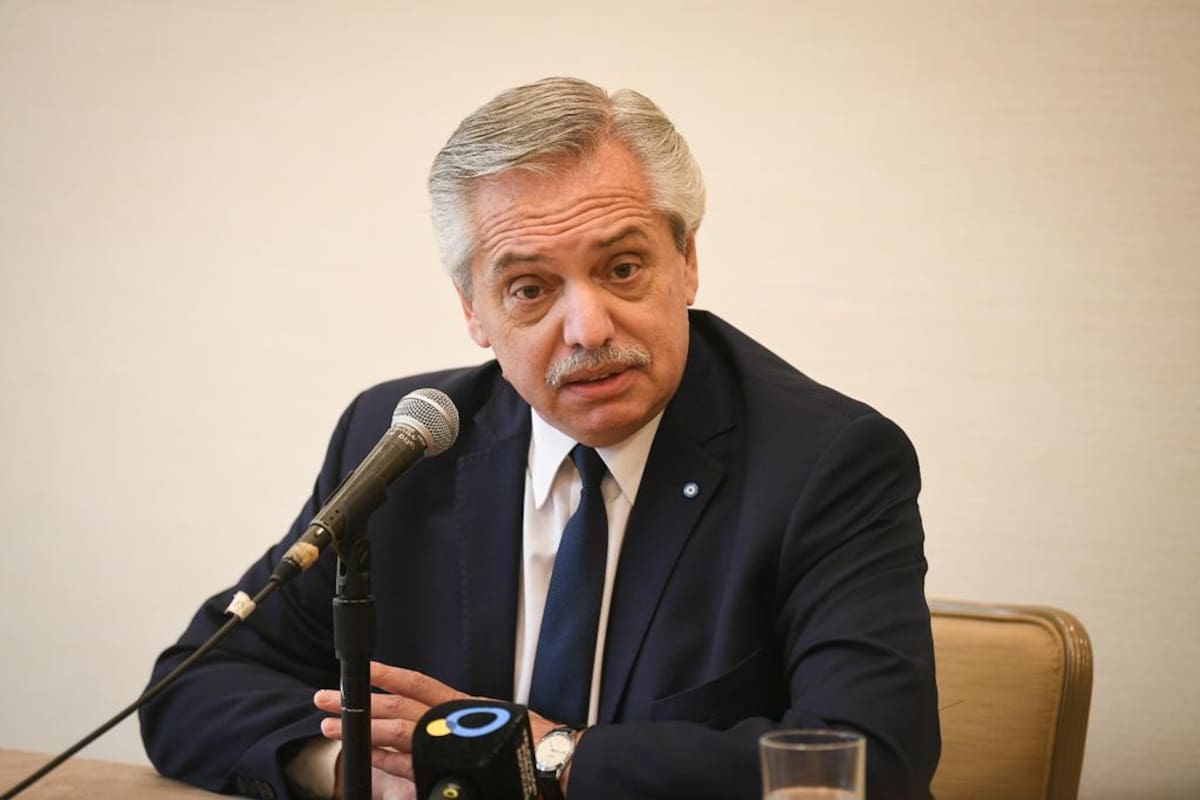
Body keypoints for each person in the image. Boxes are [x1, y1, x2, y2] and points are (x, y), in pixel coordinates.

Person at [139, 76, 940, 800]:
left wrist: (550, 758)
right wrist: (358, 774)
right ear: (473, 311)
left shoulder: (825, 462)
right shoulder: (406, 447)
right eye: (530, 288)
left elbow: (866, 760)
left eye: (623, 268)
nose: (588, 328)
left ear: (687, 261)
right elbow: (192, 686)